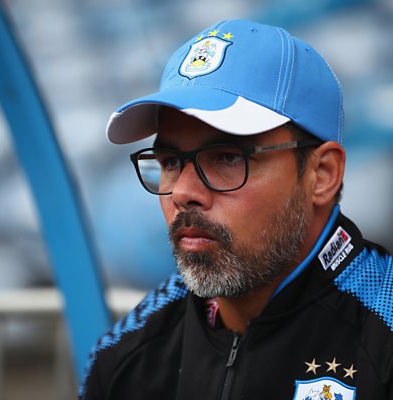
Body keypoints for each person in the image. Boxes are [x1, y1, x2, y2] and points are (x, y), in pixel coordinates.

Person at [79, 19, 393, 399]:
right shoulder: (125, 357)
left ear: (322, 174)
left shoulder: (383, 331)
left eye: (227, 158)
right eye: (170, 162)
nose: (183, 193)